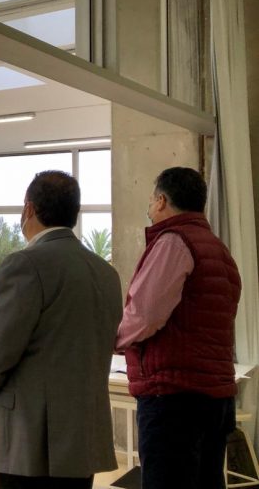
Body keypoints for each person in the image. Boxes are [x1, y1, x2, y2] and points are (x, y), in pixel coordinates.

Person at [0, 171, 122, 489]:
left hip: (31, 435)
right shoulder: (106, 273)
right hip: (83, 430)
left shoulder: (24, 264)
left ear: (29, 210)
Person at [115, 167, 241, 489]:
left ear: (161, 200)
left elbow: (145, 314)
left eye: (151, 199)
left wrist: (114, 340)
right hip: (214, 395)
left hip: (174, 397)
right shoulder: (218, 249)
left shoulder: (173, 242)